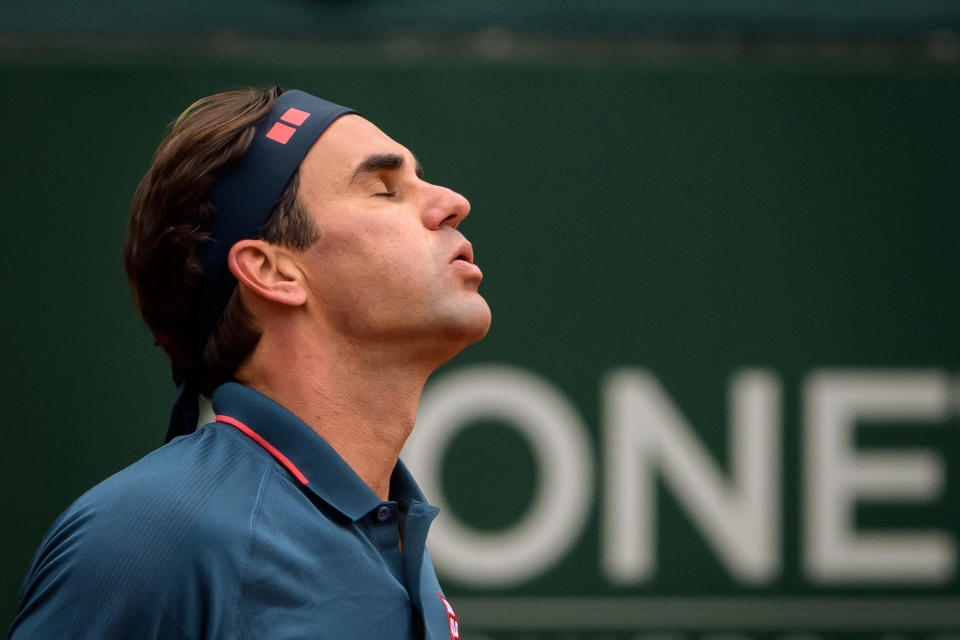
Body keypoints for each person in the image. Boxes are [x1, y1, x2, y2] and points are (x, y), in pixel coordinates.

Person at [9, 86, 489, 639]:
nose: (452, 201)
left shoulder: (396, 540)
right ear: (273, 271)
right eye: (384, 189)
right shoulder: (151, 535)